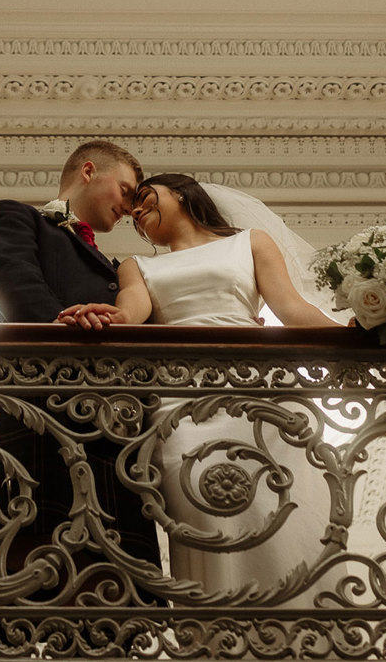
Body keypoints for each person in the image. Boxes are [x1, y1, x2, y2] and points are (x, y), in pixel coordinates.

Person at [58, 174, 340, 596]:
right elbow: (131, 310)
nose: (136, 211)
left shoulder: (250, 242)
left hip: (258, 393)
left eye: (146, 197)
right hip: (182, 401)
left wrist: (351, 332)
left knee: (282, 507)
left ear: (182, 192)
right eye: (132, 211)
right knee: (202, 508)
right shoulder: (138, 266)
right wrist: (108, 317)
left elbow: (292, 308)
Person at [0, 140, 160, 594]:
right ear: (87, 171)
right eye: (125, 189)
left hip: (109, 424)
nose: (128, 207)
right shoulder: (18, 217)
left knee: (109, 566)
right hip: (33, 401)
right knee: (26, 539)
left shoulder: (121, 269)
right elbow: (13, 281)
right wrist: (66, 331)